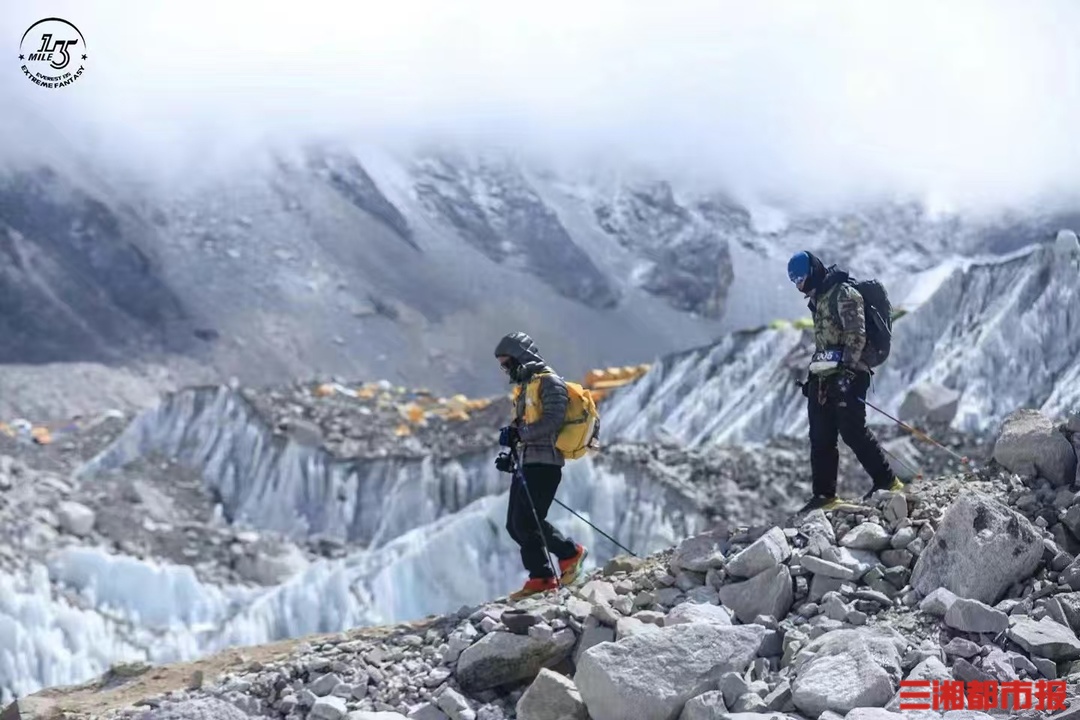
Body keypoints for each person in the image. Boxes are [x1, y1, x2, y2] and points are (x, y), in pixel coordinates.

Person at [787, 251, 904, 511]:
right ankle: (824, 496)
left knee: (852, 431)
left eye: (801, 278)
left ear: (813, 271)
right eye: (794, 280)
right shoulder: (818, 299)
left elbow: (856, 334)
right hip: (824, 377)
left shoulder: (843, 293)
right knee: (820, 436)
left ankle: (888, 482)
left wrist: (848, 374)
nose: (799, 285)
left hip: (850, 374)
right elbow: (825, 344)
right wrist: (813, 380)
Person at [494, 331, 588, 600]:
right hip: (527, 462)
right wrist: (511, 451)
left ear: (522, 357)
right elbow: (526, 426)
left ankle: (564, 559)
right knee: (516, 525)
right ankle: (544, 574)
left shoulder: (550, 383)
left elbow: (552, 421)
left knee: (527, 522)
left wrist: (519, 434)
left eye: (508, 363)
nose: (506, 369)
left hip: (545, 464)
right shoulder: (526, 388)